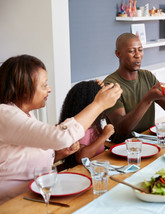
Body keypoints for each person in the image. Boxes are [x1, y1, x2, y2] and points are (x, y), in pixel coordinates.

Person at [0, 55, 122, 204]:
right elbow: (60, 137)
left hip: (36, 194)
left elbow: (21, 161)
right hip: (12, 204)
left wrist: (58, 154)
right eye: (44, 85)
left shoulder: (25, 114)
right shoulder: (4, 114)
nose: (49, 89)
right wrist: (98, 104)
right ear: (23, 88)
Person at [104, 33, 165, 143]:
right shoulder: (110, 85)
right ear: (118, 53)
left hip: (150, 141)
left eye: (140, 50)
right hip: (125, 147)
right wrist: (147, 99)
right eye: (132, 51)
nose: (138, 55)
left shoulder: (147, 76)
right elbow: (122, 128)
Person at [58, 81, 115, 168]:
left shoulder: (94, 124)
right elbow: (81, 157)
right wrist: (104, 136)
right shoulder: (83, 127)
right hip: (82, 169)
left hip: (97, 163)